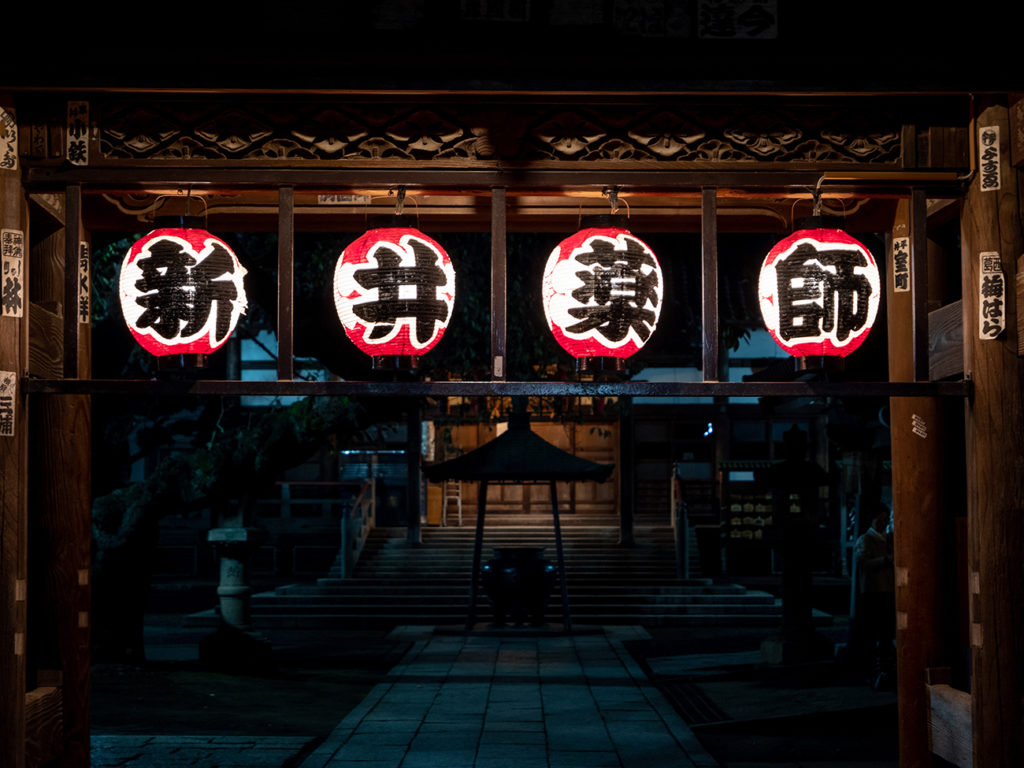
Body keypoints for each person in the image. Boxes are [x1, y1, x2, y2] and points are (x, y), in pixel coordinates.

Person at [853, 504, 895, 688]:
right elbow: (863, 563)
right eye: (879, 519)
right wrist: (885, 560)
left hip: (888, 590)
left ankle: (885, 670)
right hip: (872, 592)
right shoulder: (865, 539)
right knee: (872, 633)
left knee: (886, 632)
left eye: (885, 520)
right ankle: (872, 671)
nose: (882, 523)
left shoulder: (890, 539)